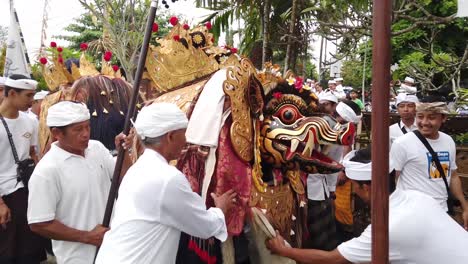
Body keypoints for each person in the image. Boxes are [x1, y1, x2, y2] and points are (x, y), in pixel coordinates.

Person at [266, 148, 468, 264]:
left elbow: (332, 259)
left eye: (354, 185)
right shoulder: (418, 197)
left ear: (366, 187)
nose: (353, 190)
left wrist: (286, 251)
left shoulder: (387, 228)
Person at [96, 103, 235, 264]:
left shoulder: (139, 169)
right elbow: (204, 226)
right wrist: (220, 209)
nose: (186, 140)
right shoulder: (167, 178)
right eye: (184, 134)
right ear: (170, 136)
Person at [27, 101, 132, 264]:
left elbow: (125, 179)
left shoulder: (96, 149)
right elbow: (39, 223)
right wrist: (87, 237)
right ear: (57, 133)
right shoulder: (47, 170)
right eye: (78, 129)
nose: (86, 134)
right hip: (78, 258)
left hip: (114, 249)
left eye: (87, 127)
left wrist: (123, 152)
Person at [391, 100, 468, 228]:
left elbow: (453, 176)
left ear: (443, 118)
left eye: (431, 118)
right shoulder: (402, 143)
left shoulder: (448, 141)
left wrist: (465, 207)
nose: (425, 122)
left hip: (442, 211)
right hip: (412, 214)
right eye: (420, 117)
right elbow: (392, 179)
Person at [0, 75, 46, 263]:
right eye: (28, 96)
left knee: (30, 249)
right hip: (5, 194)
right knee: (8, 251)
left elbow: (32, 154)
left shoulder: (30, 121)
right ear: (11, 93)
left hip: (27, 190)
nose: (32, 101)